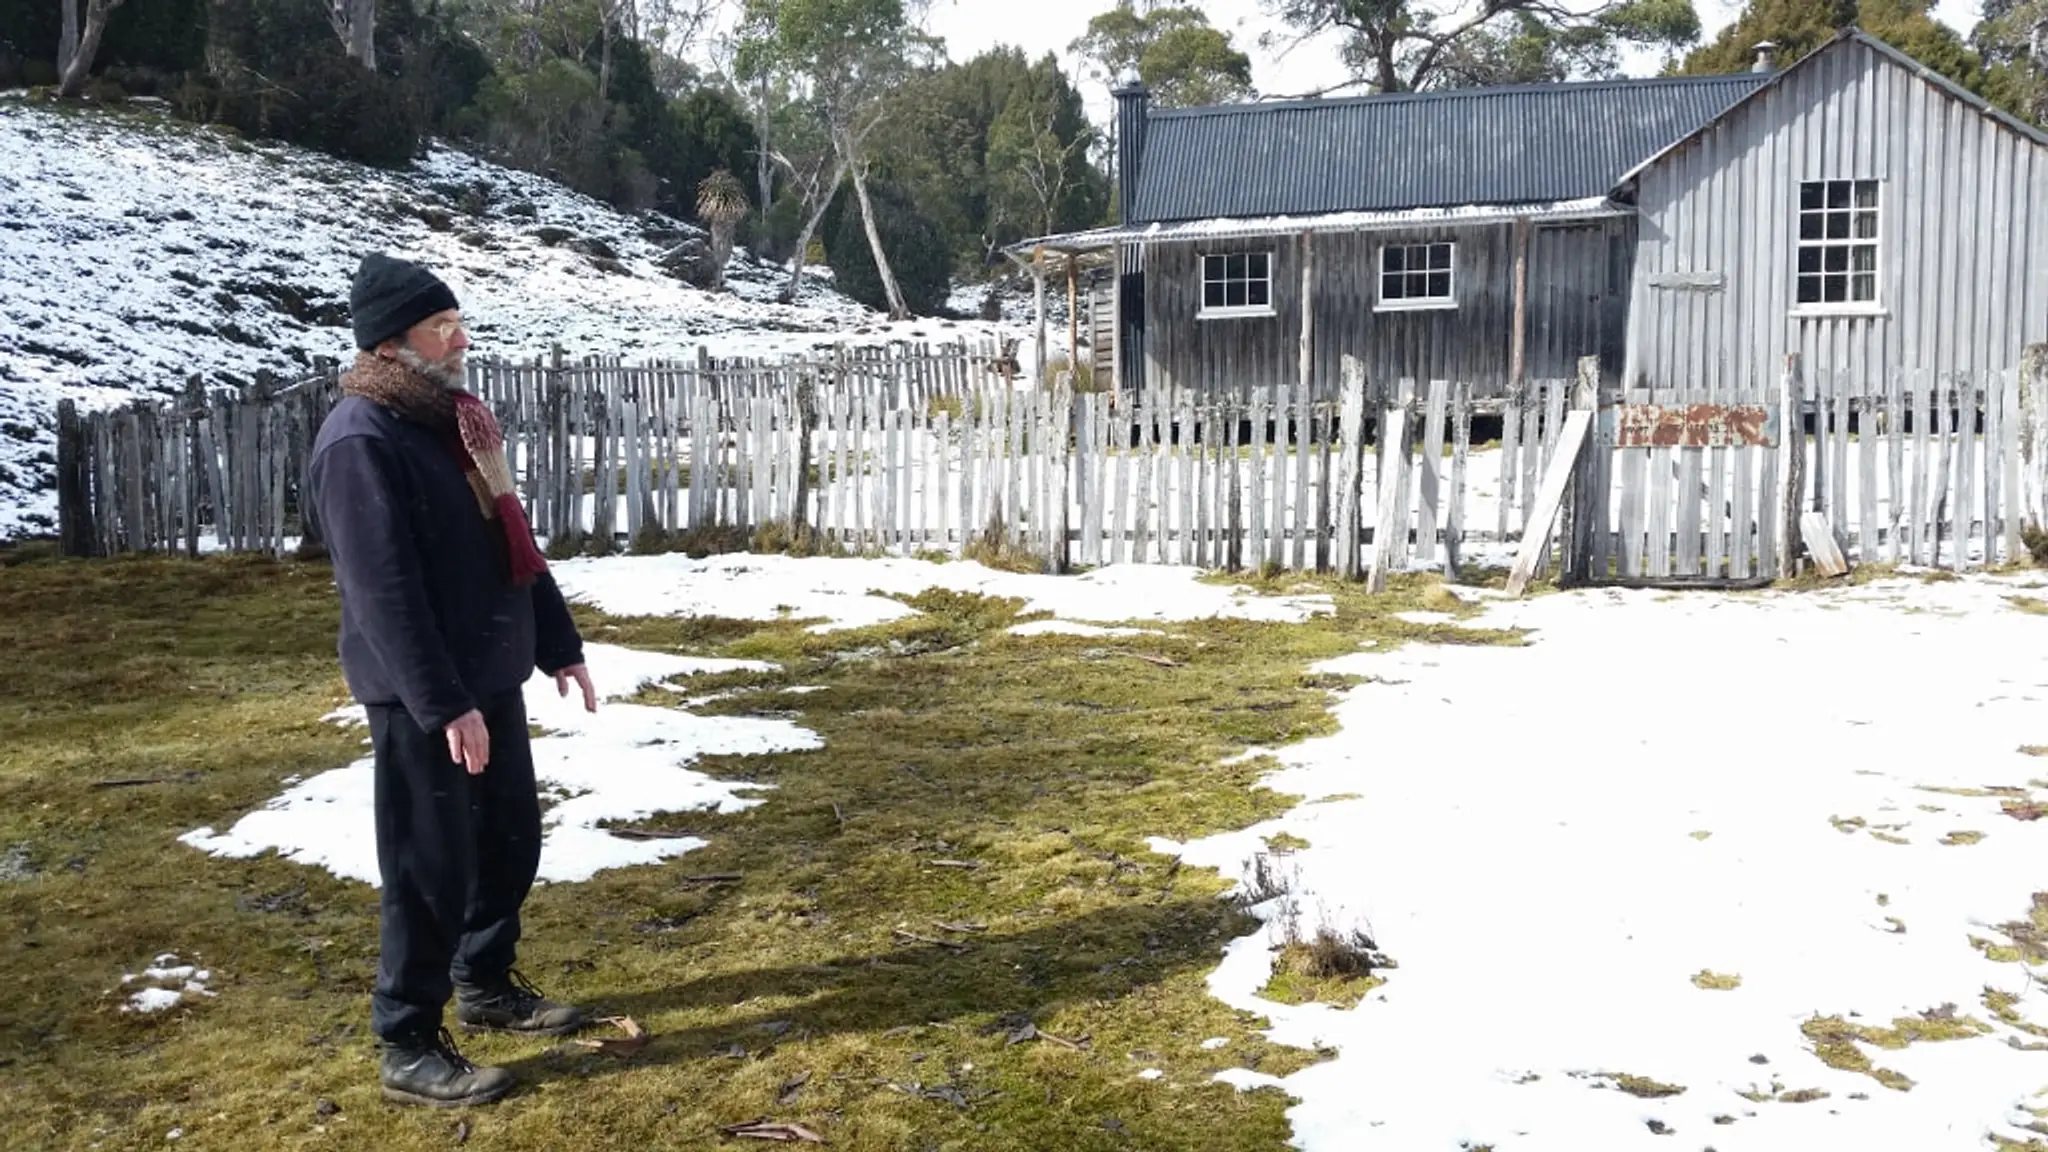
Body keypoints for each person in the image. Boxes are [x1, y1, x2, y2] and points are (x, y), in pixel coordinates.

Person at [308, 253, 598, 1109]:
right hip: (422, 696)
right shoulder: (360, 441)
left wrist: (560, 644)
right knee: (428, 864)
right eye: (443, 327)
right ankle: (406, 1037)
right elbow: (383, 594)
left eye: (457, 322)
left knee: (508, 841)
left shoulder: (457, 424)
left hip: (489, 675)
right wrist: (442, 705)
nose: (461, 339)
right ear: (394, 345)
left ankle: (487, 983)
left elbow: (516, 547)